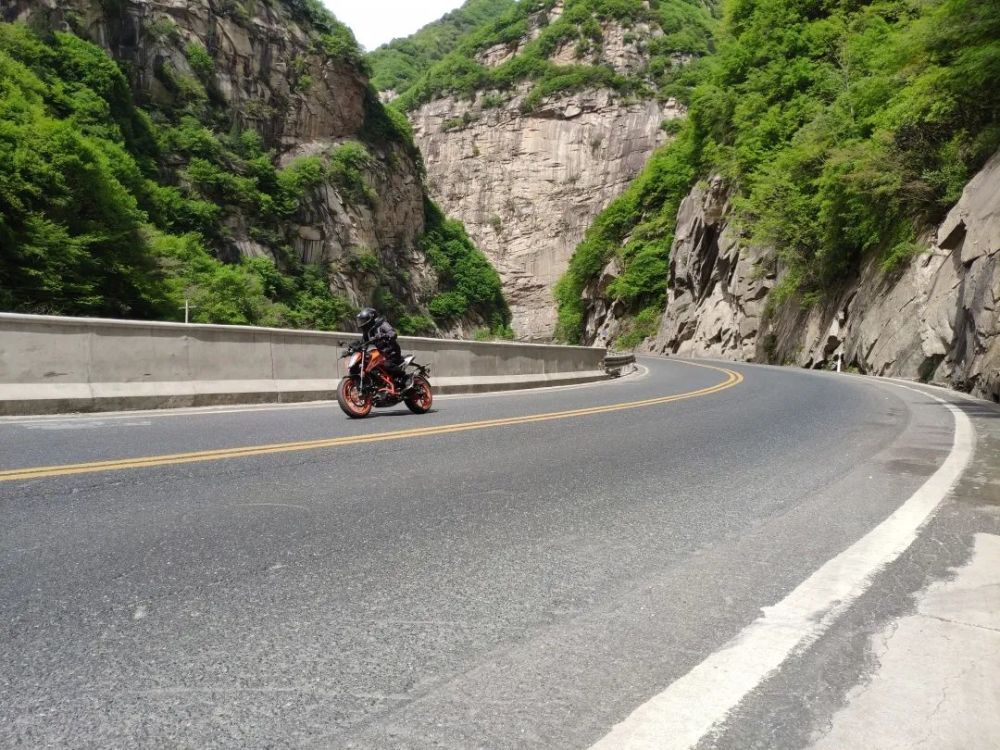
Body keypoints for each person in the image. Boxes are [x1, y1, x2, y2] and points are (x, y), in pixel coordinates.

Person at [356, 307, 405, 379]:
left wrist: (385, 335)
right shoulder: (368, 331)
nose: (363, 323)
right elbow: (363, 343)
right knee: (370, 366)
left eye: (364, 320)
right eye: (362, 320)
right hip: (382, 354)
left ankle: (404, 377)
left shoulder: (382, 324)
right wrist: (355, 347)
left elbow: (392, 332)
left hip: (392, 352)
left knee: (387, 365)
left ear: (371, 318)